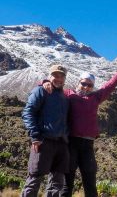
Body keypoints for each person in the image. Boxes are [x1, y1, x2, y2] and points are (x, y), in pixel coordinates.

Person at [43, 63, 117, 197]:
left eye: (90, 85)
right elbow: (54, 87)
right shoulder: (68, 94)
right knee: (67, 182)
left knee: (90, 181)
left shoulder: (96, 97)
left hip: (88, 146)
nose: (86, 87)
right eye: (84, 83)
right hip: (71, 143)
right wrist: (44, 82)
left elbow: (110, 85)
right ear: (79, 82)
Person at [21, 65, 69, 197]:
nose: (58, 79)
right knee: (35, 178)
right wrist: (35, 136)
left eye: (61, 76)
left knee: (56, 182)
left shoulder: (64, 97)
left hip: (61, 143)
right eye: (55, 76)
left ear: (65, 79)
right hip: (43, 141)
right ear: (49, 76)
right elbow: (28, 112)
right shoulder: (41, 91)